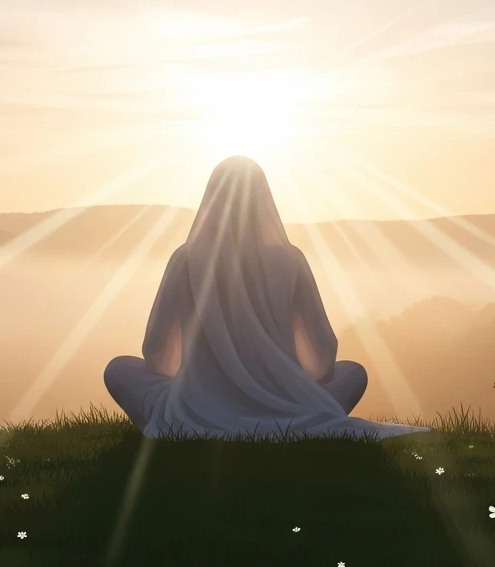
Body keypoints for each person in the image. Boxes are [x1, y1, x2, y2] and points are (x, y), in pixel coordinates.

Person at [104, 156, 430, 439]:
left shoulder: (185, 259)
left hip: (195, 407)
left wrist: (201, 382)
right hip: (287, 407)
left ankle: (208, 418)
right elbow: (324, 357)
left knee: (119, 370)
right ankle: (289, 422)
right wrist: (282, 382)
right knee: (353, 373)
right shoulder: (290, 260)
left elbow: (155, 351)